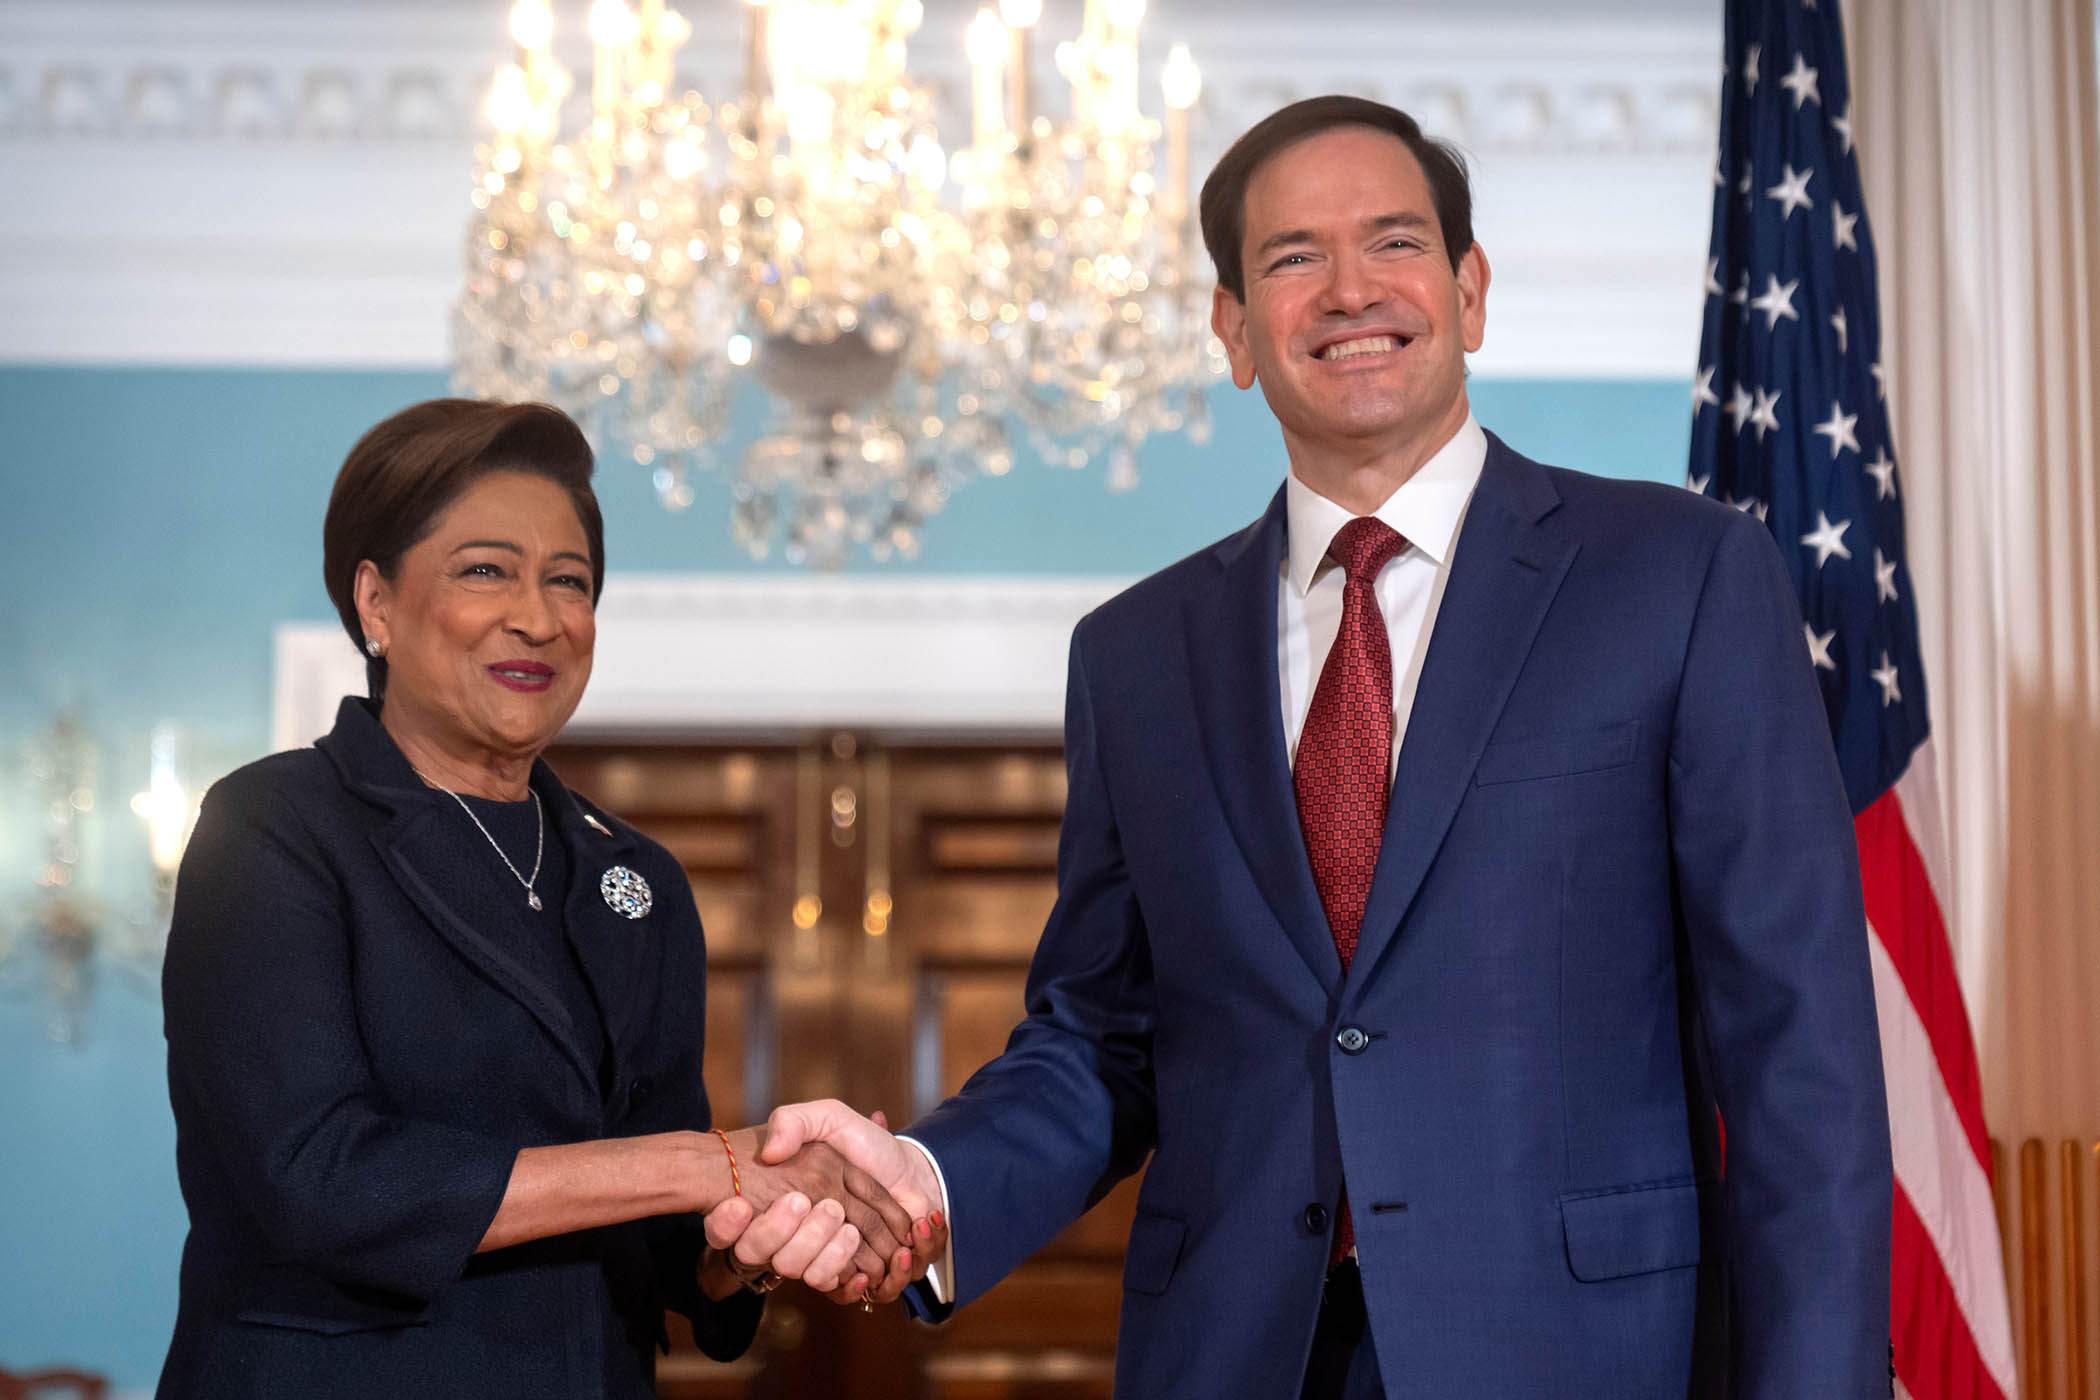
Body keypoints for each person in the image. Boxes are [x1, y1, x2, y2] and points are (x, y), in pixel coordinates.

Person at [758, 96, 1894, 1397]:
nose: (1350, 289)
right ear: (1235, 329)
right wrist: (936, 1175)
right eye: (1293, 257)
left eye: (1395, 243)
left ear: (1469, 292)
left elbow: (1798, 1047)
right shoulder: (1135, 654)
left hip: (1583, 1354)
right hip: (1237, 1353)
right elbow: (1106, 1034)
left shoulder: (1682, 578)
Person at [157, 398, 942, 1400]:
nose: (538, 615)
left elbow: (665, 1245)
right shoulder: (275, 825)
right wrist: (715, 1163)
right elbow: (320, 1180)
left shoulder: (638, 882)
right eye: (486, 569)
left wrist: (758, 1239)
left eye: (568, 581)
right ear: (377, 603)